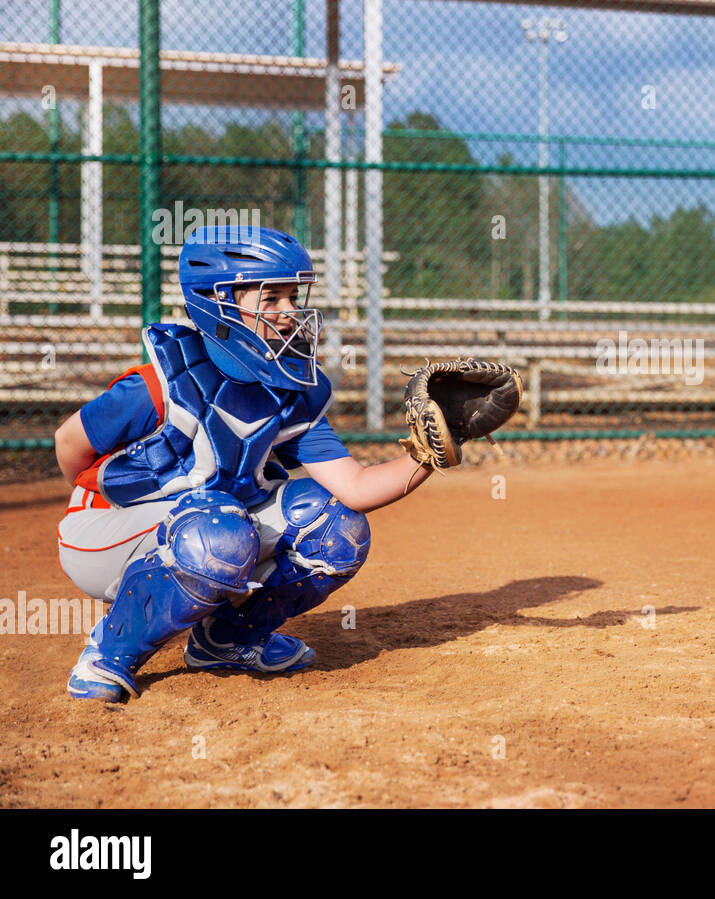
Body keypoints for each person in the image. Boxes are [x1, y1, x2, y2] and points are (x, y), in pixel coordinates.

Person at [53, 225, 436, 702]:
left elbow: (355, 487)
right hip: (104, 532)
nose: (291, 312)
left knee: (335, 525)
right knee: (215, 527)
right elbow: (69, 444)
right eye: (271, 297)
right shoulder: (160, 385)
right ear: (218, 301)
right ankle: (109, 653)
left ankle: (226, 639)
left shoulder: (287, 389)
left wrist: (433, 450)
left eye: (293, 297)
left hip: (210, 528)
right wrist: (104, 496)